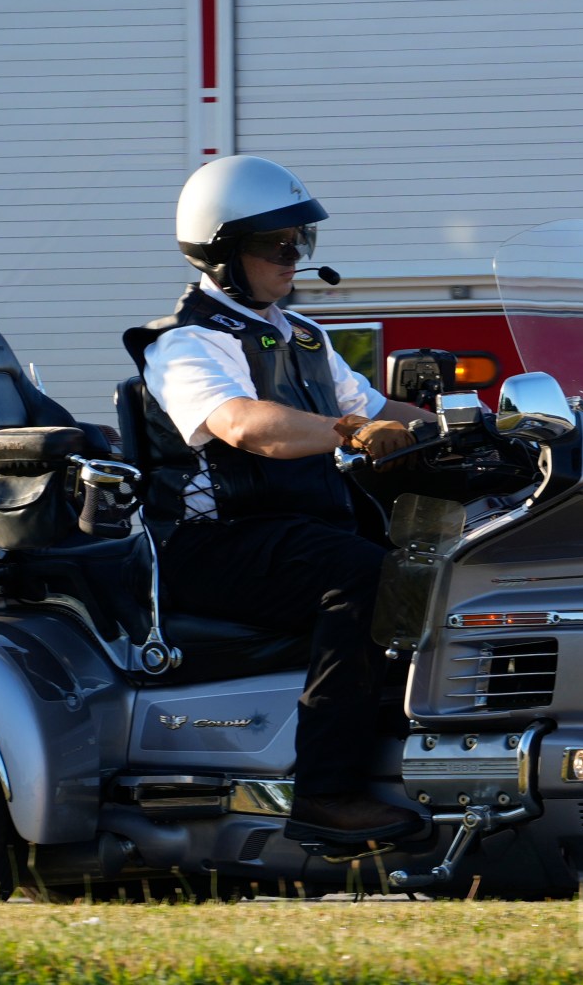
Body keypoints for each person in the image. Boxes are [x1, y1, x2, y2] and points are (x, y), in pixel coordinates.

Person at [124, 156, 436, 846]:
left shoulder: (303, 337)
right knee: (361, 573)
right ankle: (327, 793)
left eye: (302, 242)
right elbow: (241, 424)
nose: (294, 257)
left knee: (435, 555)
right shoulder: (185, 344)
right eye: (277, 244)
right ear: (223, 251)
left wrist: (495, 428)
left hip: (292, 532)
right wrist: (349, 432)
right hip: (213, 542)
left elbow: (383, 408)